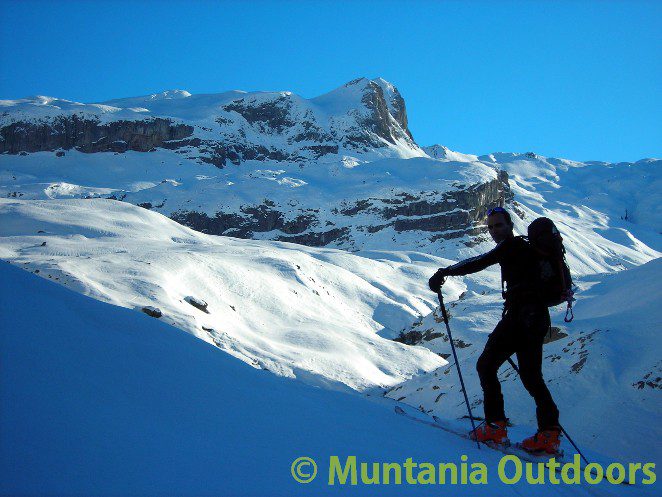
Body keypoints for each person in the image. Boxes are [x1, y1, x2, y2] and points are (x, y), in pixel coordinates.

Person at [428, 206, 562, 454]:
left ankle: (495, 427)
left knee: (486, 365)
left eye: (498, 225)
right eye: (490, 227)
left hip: (519, 317)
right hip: (538, 319)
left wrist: (445, 272)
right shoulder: (529, 249)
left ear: (511, 225)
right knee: (532, 377)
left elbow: (479, 261)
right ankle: (549, 433)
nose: (493, 231)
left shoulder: (512, 246)